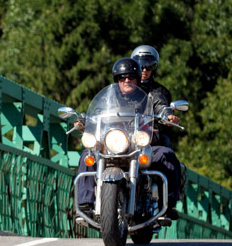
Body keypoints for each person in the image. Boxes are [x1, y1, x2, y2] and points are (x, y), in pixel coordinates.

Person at [74, 56, 184, 212]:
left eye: (131, 77)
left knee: (167, 155)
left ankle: (168, 205)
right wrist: (85, 122)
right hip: (113, 144)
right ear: (117, 79)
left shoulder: (151, 96)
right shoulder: (108, 98)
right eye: (122, 77)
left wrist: (167, 115)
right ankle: (85, 203)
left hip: (141, 145)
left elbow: (161, 108)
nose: (126, 80)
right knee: (88, 155)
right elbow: (97, 114)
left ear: (137, 79)